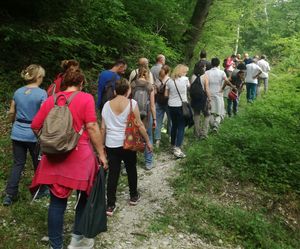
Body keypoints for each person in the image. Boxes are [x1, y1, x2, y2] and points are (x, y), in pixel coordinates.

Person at [30, 69, 108, 249]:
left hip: (54, 158)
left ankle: (55, 245)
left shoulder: (51, 100)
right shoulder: (86, 98)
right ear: (81, 83)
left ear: (63, 83)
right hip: (80, 156)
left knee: (56, 203)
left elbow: (35, 125)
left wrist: (51, 142)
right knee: (83, 199)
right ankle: (77, 240)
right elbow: (92, 126)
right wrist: (102, 155)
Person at [101, 79, 152, 216]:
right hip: (128, 143)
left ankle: (110, 205)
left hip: (111, 143)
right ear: (128, 91)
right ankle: (133, 196)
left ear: (115, 91)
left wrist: (101, 147)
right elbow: (140, 125)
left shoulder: (106, 105)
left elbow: (103, 127)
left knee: (113, 173)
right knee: (131, 168)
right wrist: (148, 141)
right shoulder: (131, 103)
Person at [3, 64, 47, 206]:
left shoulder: (18, 92)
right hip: (34, 134)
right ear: (38, 77)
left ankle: (10, 194)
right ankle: (39, 189)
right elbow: (44, 115)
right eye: (42, 77)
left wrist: (13, 125)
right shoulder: (41, 94)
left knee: (18, 164)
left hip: (17, 132)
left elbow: (11, 112)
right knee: (38, 162)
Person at [131, 65, 156, 170]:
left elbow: (128, 100)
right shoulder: (150, 86)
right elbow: (152, 105)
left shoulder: (132, 85)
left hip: (133, 114)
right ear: (147, 75)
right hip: (147, 115)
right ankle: (148, 162)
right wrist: (155, 119)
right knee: (148, 136)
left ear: (138, 74)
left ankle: (131, 162)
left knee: (132, 137)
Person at [204, 58, 236, 132]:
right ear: (218, 64)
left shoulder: (207, 73)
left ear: (211, 64)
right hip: (219, 93)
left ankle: (212, 125)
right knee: (220, 111)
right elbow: (226, 81)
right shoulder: (221, 72)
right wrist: (232, 86)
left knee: (210, 111)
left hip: (209, 93)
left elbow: (204, 83)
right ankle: (216, 124)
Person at [165, 64, 190, 158]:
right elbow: (188, 88)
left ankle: (172, 145)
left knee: (174, 125)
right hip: (181, 106)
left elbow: (166, 94)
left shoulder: (169, 81)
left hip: (171, 106)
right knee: (181, 127)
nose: (186, 73)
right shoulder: (185, 79)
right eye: (185, 71)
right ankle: (178, 148)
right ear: (182, 71)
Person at [154, 65, 172, 148]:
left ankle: (157, 140)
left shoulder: (157, 80)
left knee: (158, 121)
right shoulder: (170, 80)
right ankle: (170, 137)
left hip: (158, 101)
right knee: (170, 120)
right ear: (168, 71)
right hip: (168, 102)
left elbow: (155, 92)